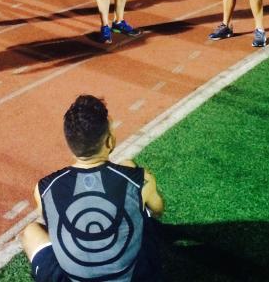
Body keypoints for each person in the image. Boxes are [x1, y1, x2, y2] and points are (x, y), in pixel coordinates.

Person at [20, 95, 164, 281]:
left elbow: (55, 226)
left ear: (71, 145)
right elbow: (158, 210)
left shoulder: (44, 188)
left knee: (30, 231)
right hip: (135, 277)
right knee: (143, 213)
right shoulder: (139, 180)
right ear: (109, 141)